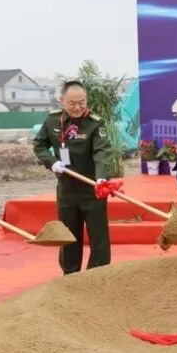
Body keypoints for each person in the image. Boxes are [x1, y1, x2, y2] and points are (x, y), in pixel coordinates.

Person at [33, 80, 114, 274]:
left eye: (82, 103)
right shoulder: (52, 121)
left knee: (99, 237)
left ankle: (97, 275)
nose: (77, 107)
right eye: (72, 103)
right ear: (62, 101)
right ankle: (70, 275)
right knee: (68, 235)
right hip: (66, 190)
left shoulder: (95, 123)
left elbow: (102, 152)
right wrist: (52, 161)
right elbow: (39, 145)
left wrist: (101, 178)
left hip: (92, 189)